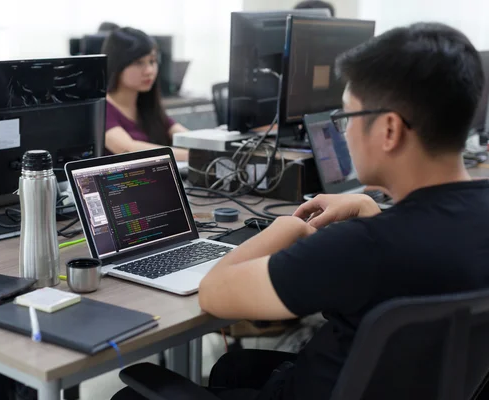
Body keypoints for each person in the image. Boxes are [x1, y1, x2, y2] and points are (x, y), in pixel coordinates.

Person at [139, 22, 485, 400]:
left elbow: (214, 292)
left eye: (346, 118)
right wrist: (373, 211)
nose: (344, 134)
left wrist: (286, 227)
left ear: (389, 130)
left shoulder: (358, 247)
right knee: (233, 368)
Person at [101, 27, 189, 161]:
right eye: (138, 63)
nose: (149, 71)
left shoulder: (147, 104)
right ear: (117, 65)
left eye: (152, 61)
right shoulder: (102, 108)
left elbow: (186, 137)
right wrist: (194, 156)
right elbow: (127, 149)